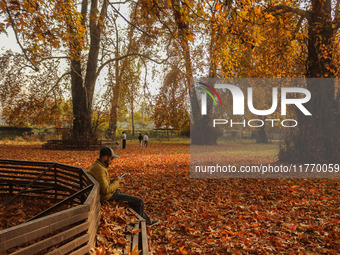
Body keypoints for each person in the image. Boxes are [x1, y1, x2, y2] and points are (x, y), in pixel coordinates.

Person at [88, 147, 159, 226]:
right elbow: (105, 190)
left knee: (133, 200)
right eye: (111, 159)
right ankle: (144, 223)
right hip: (108, 197)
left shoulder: (97, 165)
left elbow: (103, 183)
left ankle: (148, 221)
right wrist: (117, 182)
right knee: (139, 201)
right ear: (105, 157)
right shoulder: (100, 169)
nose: (111, 161)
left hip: (107, 194)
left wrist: (113, 180)